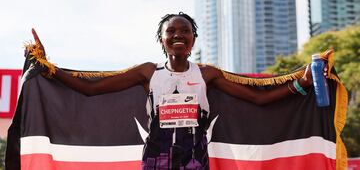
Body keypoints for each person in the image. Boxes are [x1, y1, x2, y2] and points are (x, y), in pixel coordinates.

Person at [31, 12, 321, 170]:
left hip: (194, 158)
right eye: (171, 31)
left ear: (193, 40)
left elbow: (259, 99)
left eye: (185, 31)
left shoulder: (207, 74)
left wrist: (301, 84)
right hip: (157, 158)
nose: (178, 35)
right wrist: (49, 68)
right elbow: (90, 89)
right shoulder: (148, 73)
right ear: (162, 39)